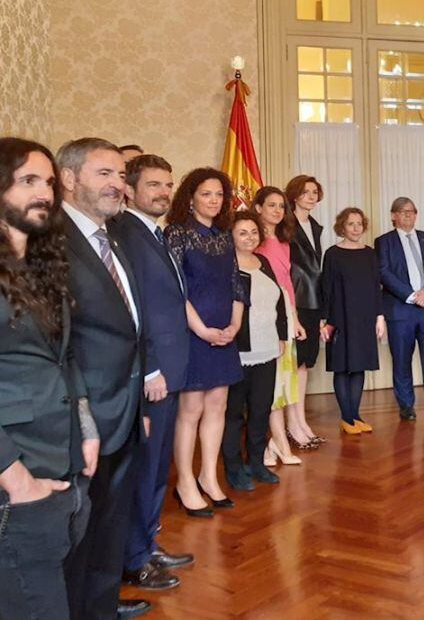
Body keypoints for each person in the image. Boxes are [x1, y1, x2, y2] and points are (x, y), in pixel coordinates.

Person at [0, 138, 97, 620]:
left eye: (50, 183)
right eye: (28, 181)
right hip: (17, 482)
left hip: (63, 469)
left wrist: (87, 427)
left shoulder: (41, 267)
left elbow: (66, 358)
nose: (44, 194)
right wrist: (15, 479)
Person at [55, 138, 147, 620]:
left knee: (110, 525)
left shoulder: (111, 237)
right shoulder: (53, 242)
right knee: (80, 533)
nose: (118, 184)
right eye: (105, 174)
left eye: (120, 175)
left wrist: (139, 405)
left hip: (125, 410)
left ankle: (102, 607)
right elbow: (59, 342)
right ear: (68, 179)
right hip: (84, 416)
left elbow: (131, 328)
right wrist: (84, 411)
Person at [113, 155, 193, 593]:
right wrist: (152, 369)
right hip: (153, 374)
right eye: (153, 185)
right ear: (130, 188)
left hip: (171, 369)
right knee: (144, 469)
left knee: (158, 466)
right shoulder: (126, 233)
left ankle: (147, 543)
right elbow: (134, 310)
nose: (163, 192)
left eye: (168, 184)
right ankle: (134, 560)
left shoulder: (152, 233)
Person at [165, 168, 244, 518]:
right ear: (191, 197)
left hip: (225, 333)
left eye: (219, 195)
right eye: (206, 194)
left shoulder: (226, 236)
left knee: (218, 407)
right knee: (191, 411)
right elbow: (175, 289)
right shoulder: (177, 233)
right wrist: (201, 330)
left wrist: (234, 324)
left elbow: (236, 285)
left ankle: (209, 477)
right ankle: (184, 483)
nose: (214, 200)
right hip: (193, 334)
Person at [223, 212, 286, 490]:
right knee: (234, 413)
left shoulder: (266, 263)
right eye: (242, 232)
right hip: (238, 352)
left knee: (261, 409)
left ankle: (257, 462)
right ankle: (234, 468)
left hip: (267, 348)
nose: (250, 237)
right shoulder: (226, 265)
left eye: (253, 232)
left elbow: (279, 302)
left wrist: (282, 335)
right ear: (231, 236)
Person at [252, 187, 313, 457]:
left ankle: (277, 441)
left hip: (285, 312)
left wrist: (295, 319)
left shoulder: (285, 242)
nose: (277, 211)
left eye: (281, 206)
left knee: (285, 377)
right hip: (261, 313)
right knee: (270, 380)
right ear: (257, 208)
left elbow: (287, 282)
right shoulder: (251, 240)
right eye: (271, 205)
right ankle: (272, 440)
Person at [375, 197, 424, 420]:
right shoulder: (384, 242)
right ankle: (406, 405)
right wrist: (410, 295)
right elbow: (384, 273)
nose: (408, 215)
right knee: (401, 360)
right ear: (393, 216)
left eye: (412, 211)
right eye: (402, 211)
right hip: (400, 310)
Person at [320, 208, 386, 433]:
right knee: (342, 367)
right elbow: (325, 289)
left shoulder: (370, 253)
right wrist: (324, 320)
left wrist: (380, 317)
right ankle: (346, 417)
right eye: (351, 224)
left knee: (359, 367)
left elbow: (377, 287)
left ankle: (355, 414)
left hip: (366, 317)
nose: (356, 228)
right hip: (340, 317)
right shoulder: (332, 254)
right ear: (342, 227)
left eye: (359, 224)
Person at [285, 175, 324, 448]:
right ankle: (292, 424)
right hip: (295, 302)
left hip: (314, 302)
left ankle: (300, 421)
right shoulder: (285, 225)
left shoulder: (316, 227)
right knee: (293, 365)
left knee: (305, 365)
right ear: (295, 195)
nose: (311, 196)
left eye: (314, 192)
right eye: (306, 192)